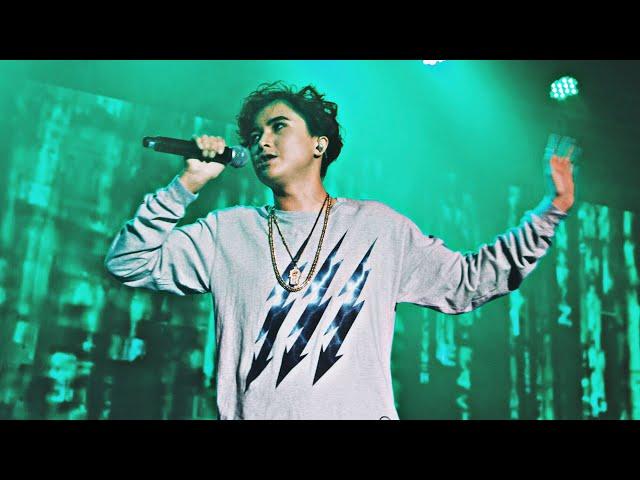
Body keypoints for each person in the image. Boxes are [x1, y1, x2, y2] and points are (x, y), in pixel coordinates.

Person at [105, 81, 576, 420]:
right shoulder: (226, 233)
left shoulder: (378, 227)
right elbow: (129, 262)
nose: (262, 141)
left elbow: (468, 282)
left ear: (319, 144)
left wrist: (550, 211)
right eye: (254, 136)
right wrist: (185, 185)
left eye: (278, 127)